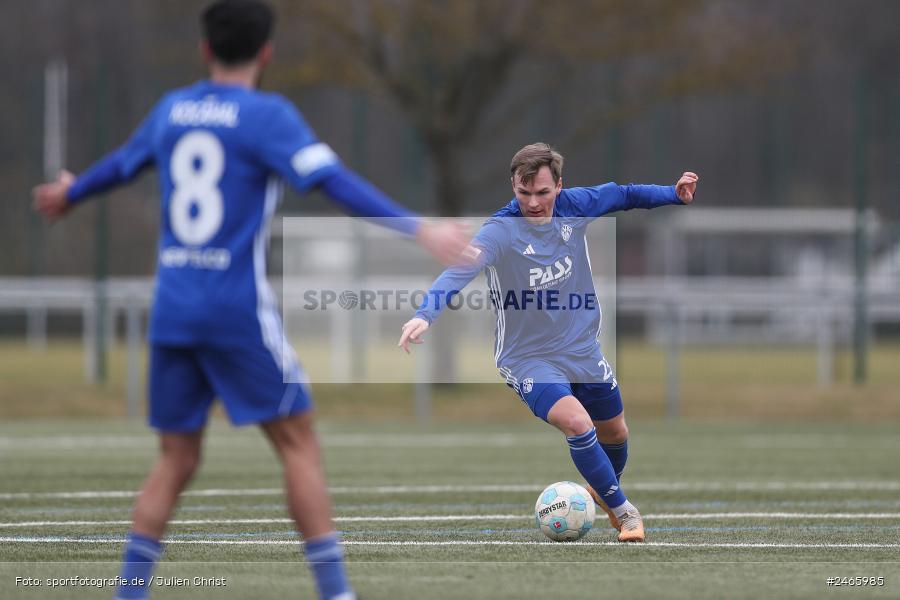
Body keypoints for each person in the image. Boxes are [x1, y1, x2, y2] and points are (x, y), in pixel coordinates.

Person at [32, 1, 470, 598]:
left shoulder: (172, 111)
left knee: (176, 458)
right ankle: (337, 594)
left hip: (174, 310)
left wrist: (71, 192)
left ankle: (128, 593)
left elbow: (123, 164)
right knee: (298, 441)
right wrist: (417, 228)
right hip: (233, 309)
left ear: (205, 49)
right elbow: (332, 181)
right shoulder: (267, 117)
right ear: (267, 53)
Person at [398, 142, 698, 543]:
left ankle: (601, 491)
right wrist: (424, 313)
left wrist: (672, 195)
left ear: (559, 185)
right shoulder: (500, 231)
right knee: (577, 422)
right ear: (513, 187)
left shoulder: (577, 205)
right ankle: (626, 513)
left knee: (616, 433)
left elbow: (624, 195)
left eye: (542, 192)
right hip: (527, 359)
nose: (533, 203)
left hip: (581, 350)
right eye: (524, 194)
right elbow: (458, 270)